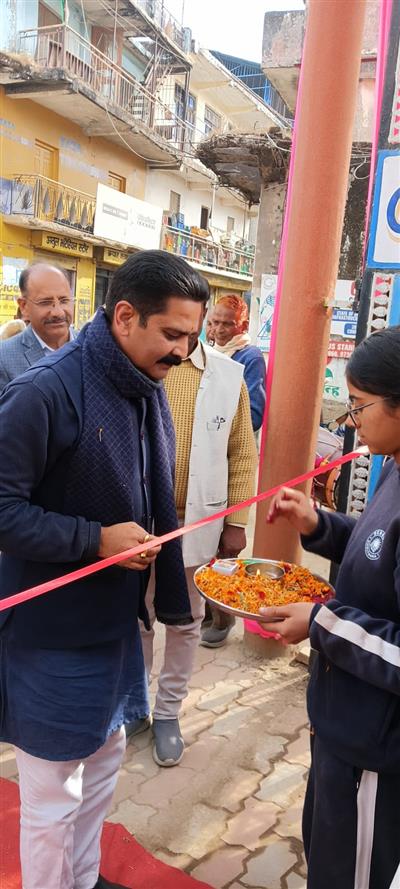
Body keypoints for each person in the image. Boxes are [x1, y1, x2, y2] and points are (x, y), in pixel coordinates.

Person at [0, 249, 208, 889]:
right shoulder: (43, 392)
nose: (182, 352)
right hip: (50, 631)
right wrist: (95, 540)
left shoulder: (140, 384)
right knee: (53, 793)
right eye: (171, 334)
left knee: (106, 760)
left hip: (115, 622)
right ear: (124, 317)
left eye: (191, 338)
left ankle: (84, 879)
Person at [261, 325, 400, 889]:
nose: (351, 420)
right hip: (345, 720)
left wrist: (319, 623)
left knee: (353, 872)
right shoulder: (394, 464)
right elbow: (376, 551)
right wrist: (318, 524)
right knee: (326, 853)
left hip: (378, 747)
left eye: (360, 404)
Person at [129, 309, 257, 765]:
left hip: (196, 523)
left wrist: (237, 522)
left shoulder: (228, 375)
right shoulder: (138, 362)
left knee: (185, 621)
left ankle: (168, 713)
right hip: (137, 523)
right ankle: (135, 705)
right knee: (138, 617)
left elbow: (242, 453)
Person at [0, 262, 75, 394]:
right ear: (24, 306)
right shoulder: (3, 358)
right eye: (45, 302)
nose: (58, 312)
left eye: (64, 300)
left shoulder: (91, 347)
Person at [212, 294, 266, 432]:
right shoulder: (209, 352)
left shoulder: (250, 357)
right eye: (216, 322)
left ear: (244, 326)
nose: (219, 330)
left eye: (227, 324)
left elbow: (253, 417)